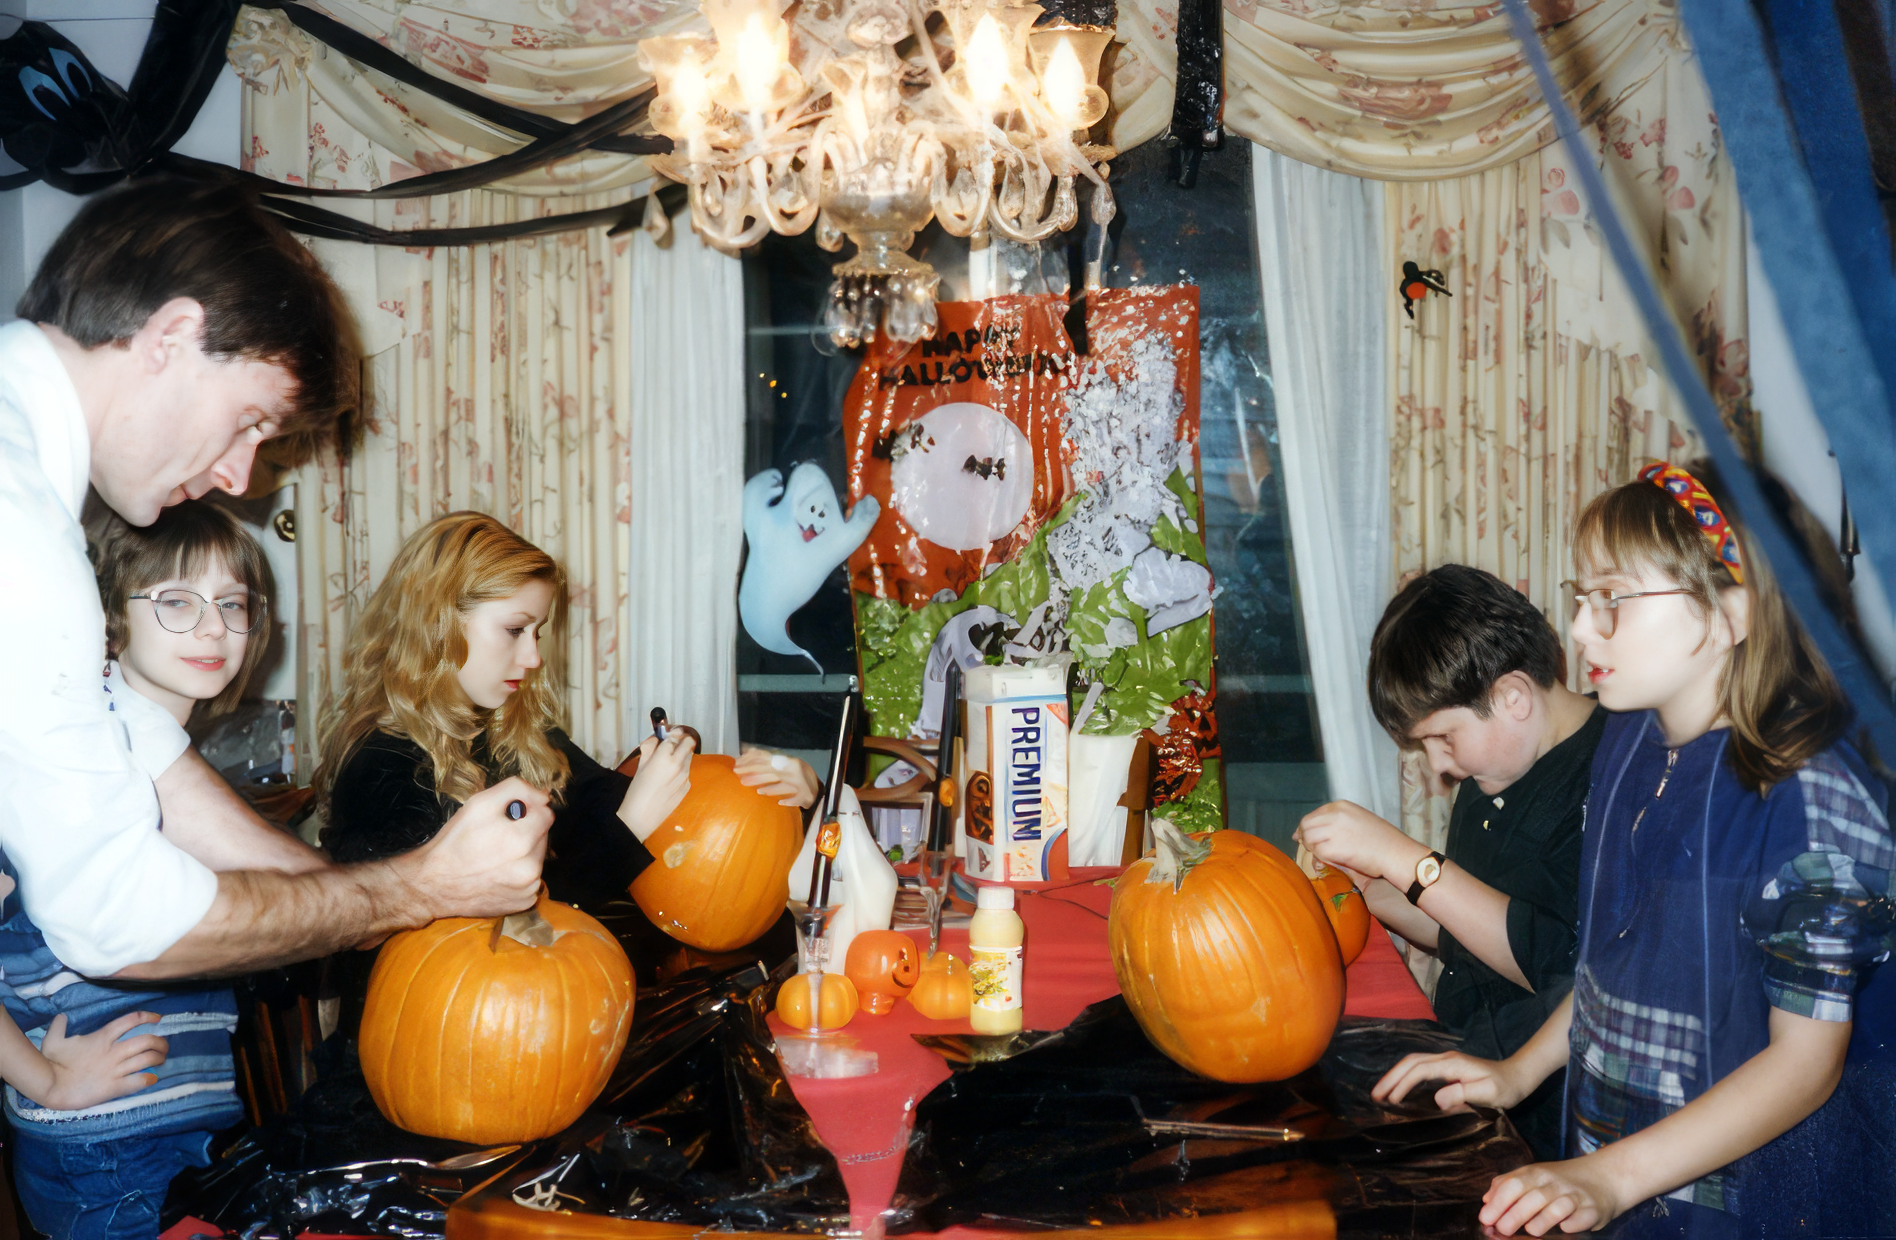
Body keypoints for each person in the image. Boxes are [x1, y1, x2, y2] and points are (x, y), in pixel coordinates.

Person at [0, 176, 553, 999]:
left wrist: (375, 900)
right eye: (250, 422)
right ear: (172, 337)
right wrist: (415, 891)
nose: (238, 476)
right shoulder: (19, 527)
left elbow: (136, 741)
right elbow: (117, 921)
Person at [1375, 463, 1896, 1238]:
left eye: (1613, 600)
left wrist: (1610, 1179)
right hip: (1622, 1163)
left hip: (1755, 1200)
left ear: (1733, 612)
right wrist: (1518, 1073)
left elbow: (1804, 1063)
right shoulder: (1626, 744)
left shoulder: (1812, 799)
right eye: (1583, 598)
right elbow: (1608, 964)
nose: (1581, 630)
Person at [0, 501, 296, 1237]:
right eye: (177, 601)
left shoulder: (168, 767)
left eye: (233, 604)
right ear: (107, 618)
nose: (213, 627)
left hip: (185, 1134)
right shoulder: (71, 765)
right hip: (101, 1154)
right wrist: (46, 1080)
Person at [317, 511, 820, 910]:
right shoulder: (381, 769)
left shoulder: (510, 729)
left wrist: (795, 796)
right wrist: (634, 820)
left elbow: (599, 805)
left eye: (537, 633)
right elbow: (524, 924)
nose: (533, 657)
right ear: (438, 624)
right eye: (515, 630)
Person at [1295, 564, 1603, 1158]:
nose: (1438, 766)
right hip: (1462, 1064)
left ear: (1512, 697)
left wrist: (1400, 855)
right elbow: (1462, 932)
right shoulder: (1492, 772)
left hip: (1547, 1118)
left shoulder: (1612, 776)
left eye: (1442, 738)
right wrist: (1372, 885)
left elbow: (1552, 963)